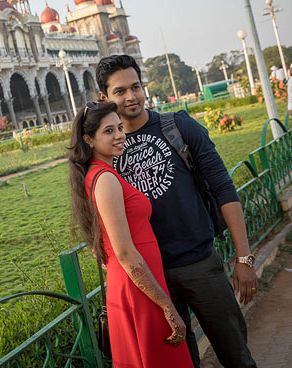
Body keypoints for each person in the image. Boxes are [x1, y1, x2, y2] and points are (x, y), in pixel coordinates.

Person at [96, 54, 257, 368]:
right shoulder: (108, 148)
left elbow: (224, 188)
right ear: (104, 97)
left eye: (136, 86)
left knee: (237, 357)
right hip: (150, 278)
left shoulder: (177, 126)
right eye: (119, 91)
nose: (131, 96)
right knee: (179, 362)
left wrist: (243, 258)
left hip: (199, 264)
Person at [69, 101, 192, 367]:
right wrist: (168, 307)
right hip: (138, 288)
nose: (119, 135)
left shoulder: (101, 174)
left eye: (120, 128)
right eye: (108, 131)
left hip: (137, 283)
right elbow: (124, 252)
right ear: (88, 139)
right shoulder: (105, 179)